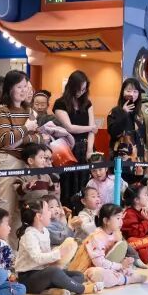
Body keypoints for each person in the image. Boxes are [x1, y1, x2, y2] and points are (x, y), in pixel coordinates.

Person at [0, 70, 43, 247]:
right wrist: (26, 128)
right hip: (8, 160)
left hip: (27, 162)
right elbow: (6, 140)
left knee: (20, 210)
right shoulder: (2, 110)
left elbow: (39, 138)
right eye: (19, 87)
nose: (24, 90)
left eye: (25, 86)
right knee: (5, 206)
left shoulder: (29, 110)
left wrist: (20, 139)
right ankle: (0, 249)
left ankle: (14, 249)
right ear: (10, 88)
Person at [16, 200, 95, 295]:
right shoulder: (29, 235)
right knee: (54, 272)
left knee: (78, 275)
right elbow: (38, 258)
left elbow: (46, 256)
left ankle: (51, 290)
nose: (50, 213)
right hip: (28, 278)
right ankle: (82, 289)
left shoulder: (45, 231)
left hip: (43, 273)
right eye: (48, 210)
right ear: (39, 216)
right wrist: (58, 253)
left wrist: (56, 260)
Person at [76, 204, 146, 288]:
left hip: (110, 266)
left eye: (121, 218)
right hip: (93, 268)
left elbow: (114, 254)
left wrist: (125, 261)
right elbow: (99, 263)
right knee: (98, 273)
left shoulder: (116, 233)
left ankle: (123, 276)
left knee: (126, 269)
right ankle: (126, 279)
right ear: (106, 220)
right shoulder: (96, 237)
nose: (121, 222)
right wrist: (120, 266)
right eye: (118, 218)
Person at [53, 71, 97, 205]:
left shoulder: (87, 103)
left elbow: (92, 131)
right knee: (68, 184)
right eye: (79, 89)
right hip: (68, 148)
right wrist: (90, 128)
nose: (81, 92)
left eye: (84, 89)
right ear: (71, 86)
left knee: (85, 184)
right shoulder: (60, 103)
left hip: (86, 147)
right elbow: (69, 127)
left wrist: (90, 150)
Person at [107, 78, 144, 162]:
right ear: (122, 92)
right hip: (120, 158)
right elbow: (113, 132)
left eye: (135, 91)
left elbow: (142, 137)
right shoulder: (115, 111)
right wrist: (123, 113)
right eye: (128, 91)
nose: (132, 94)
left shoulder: (139, 114)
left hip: (138, 159)